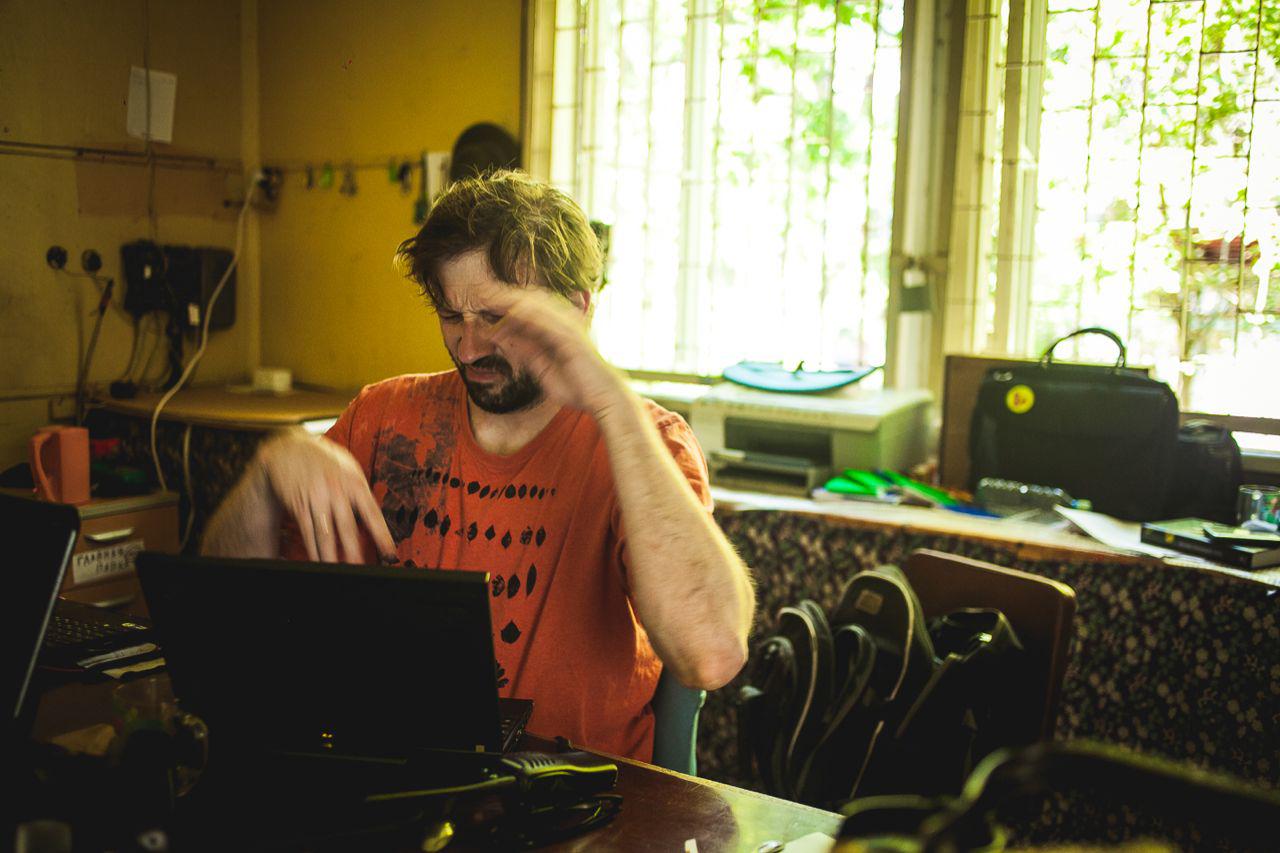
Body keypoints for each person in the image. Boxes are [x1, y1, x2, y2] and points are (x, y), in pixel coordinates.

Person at [202, 170, 754, 761]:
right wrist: (267, 473)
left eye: (495, 318)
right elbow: (222, 617)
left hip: (568, 795)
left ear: (575, 310)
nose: (468, 349)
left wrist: (612, 405)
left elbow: (711, 655)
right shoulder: (382, 417)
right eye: (451, 316)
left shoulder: (648, 442)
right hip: (389, 777)